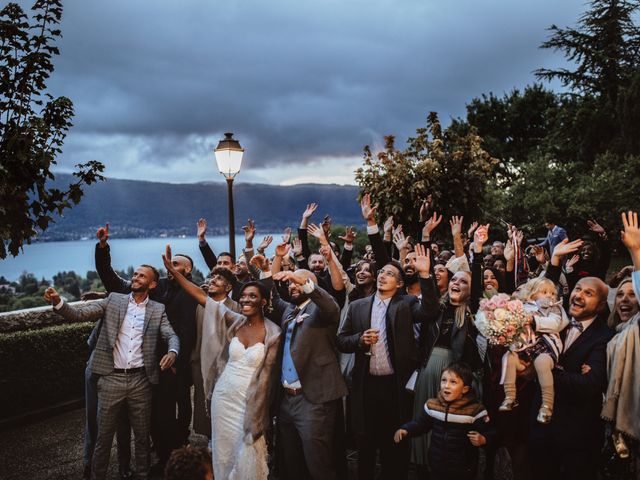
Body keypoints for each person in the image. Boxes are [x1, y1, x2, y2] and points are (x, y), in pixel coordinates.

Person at [44, 265, 179, 480]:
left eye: (142, 275)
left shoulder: (157, 309)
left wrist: (173, 351)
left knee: (142, 438)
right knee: (103, 438)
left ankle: (143, 475)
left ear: (152, 284)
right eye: (135, 274)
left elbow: (171, 334)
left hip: (141, 381)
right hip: (110, 378)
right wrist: (58, 302)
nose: (136, 277)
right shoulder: (114, 300)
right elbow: (79, 314)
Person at [162, 246, 282, 480]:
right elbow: (200, 295)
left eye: (252, 296)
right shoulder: (235, 321)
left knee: (247, 454)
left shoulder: (273, 332)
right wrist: (174, 272)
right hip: (224, 396)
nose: (246, 299)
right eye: (244, 295)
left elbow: (267, 378)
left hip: (249, 400)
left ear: (263, 302)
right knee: (222, 452)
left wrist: (260, 417)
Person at [94, 224, 198, 468]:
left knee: (173, 415)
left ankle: (173, 458)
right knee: (152, 418)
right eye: (169, 264)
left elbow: (187, 333)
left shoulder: (193, 293)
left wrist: (177, 363)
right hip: (148, 366)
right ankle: (163, 456)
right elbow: (113, 281)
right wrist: (102, 249)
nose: (171, 266)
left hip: (174, 367)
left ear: (188, 269)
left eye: (177, 264)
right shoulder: (157, 284)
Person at [337, 243, 433, 480]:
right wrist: (360, 340)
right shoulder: (358, 306)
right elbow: (341, 340)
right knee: (366, 446)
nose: (382, 276)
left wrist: (425, 275)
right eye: (381, 272)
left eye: (390, 273)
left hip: (395, 385)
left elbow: (431, 311)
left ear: (400, 284)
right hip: (366, 386)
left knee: (395, 445)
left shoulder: (407, 304)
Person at [529, 237, 614, 479]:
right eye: (577, 289)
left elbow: (589, 386)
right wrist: (554, 261)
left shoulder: (604, 338)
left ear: (600, 306)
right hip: (541, 428)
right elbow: (542, 293)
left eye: (589, 293)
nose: (578, 295)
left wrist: (544, 370)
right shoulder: (556, 320)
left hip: (577, 436)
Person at [259, 249, 346, 480]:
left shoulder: (322, 311)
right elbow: (272, 297)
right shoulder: (290, 309)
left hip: (313, 399)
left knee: (318, 463)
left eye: (299, 282)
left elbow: (331, 305)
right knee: (292, 461)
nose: (293, 286)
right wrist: (268, 267)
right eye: (292, 283)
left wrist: (304, 281)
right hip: (287, 399)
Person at [394, 362, 494, 480]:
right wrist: (406, 429)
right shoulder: (433, 405)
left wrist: (483, 439)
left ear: (465, 389)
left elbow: (492, 432)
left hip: (463, 469)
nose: (446, 386)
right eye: (444, 380)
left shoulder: (474, 411)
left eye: (453, 382)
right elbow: (421, 424)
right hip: (437, 465)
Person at [601, 212, 640, 474]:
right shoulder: (609, 334)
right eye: (621, 295)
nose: (625, 300)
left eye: (633, 294)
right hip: (610, 424)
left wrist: (636, 252)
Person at [499, 278, 569, 424]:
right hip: (525, 347)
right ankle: (510, 396)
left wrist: (534, 320)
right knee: (509, 357)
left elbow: (555, 324)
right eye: (544, 292)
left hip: (547, 346)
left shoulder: (554, 308)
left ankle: (547, 405)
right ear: (531, 295)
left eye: (552, 293)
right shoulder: (523, 307)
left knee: (542, 363)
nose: (549, 295)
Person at [190, 267, 241, 440]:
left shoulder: (236, 308)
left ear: (228, 288)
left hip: (226, 366)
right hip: (202, 365)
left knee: (225, 408)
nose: (212, 280)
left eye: (218, 279)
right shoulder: (201, 306)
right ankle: (210, 441)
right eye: (212, 277)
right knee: (203, 404)